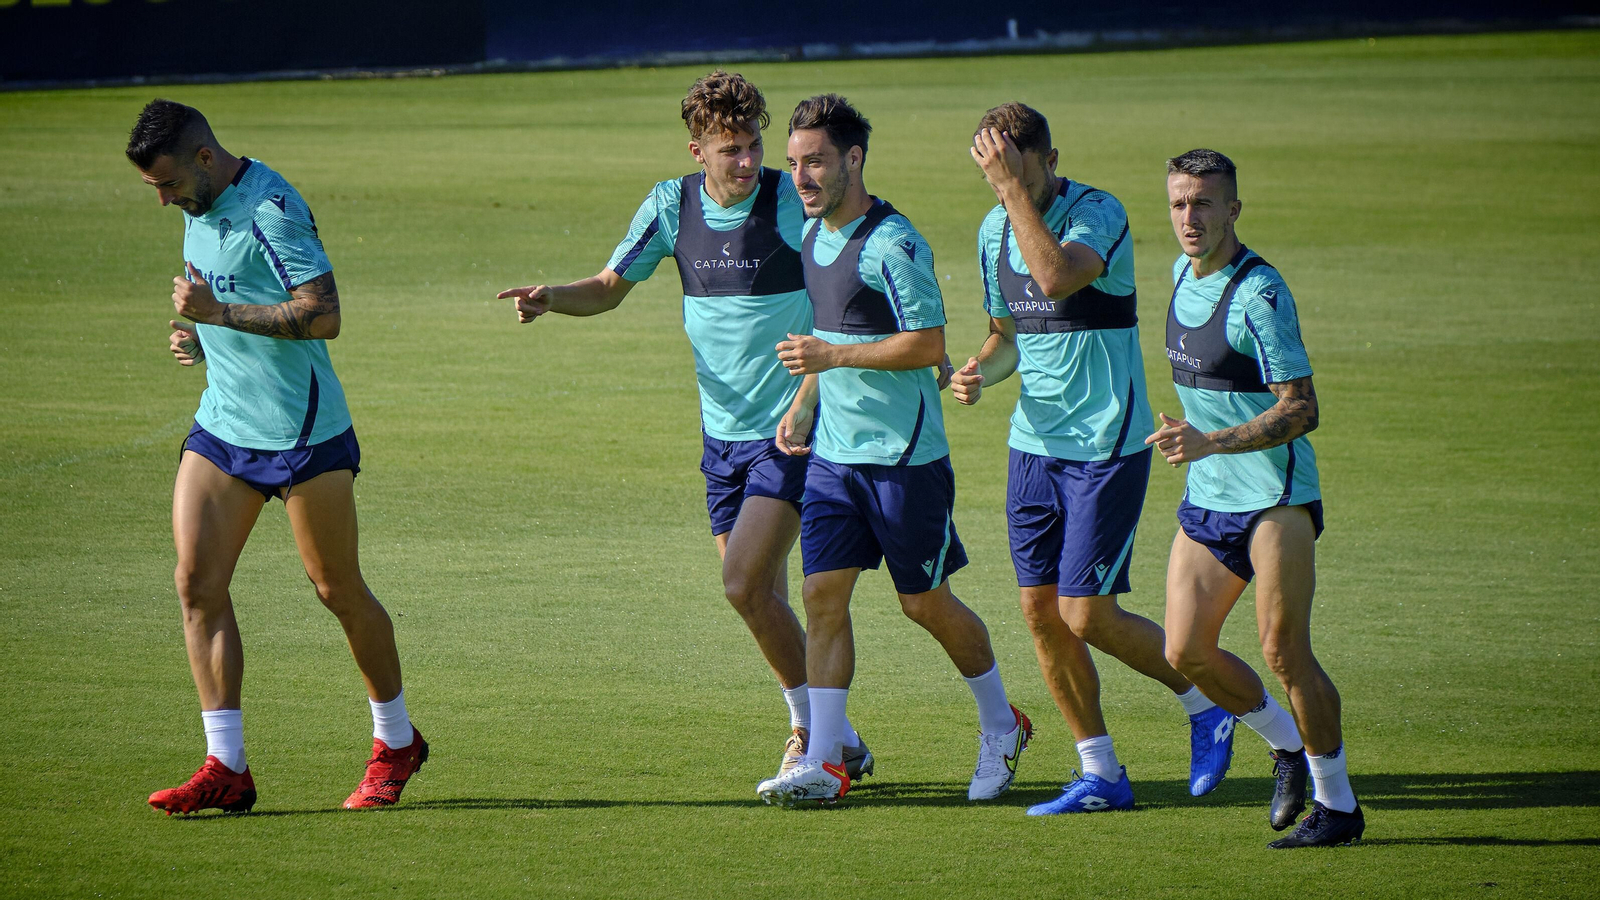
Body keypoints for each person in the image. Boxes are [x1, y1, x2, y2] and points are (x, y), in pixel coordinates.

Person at [497, 71, 871, 785]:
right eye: (731, 149)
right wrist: (553, 297)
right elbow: (609, 288)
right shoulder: (671, 205)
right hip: (721, 436)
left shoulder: (789, 203)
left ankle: (812, 733)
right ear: (697, 151)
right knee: (760, 598)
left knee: (741, 583)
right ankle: (837, 737)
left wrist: (818, 388)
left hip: (794, 428)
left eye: (754, 144)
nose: (748, 161)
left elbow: (847, 285)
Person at [128, 99, 426, 815]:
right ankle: (225, 765)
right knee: (196, 584)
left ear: (205, 158)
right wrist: (205, 340)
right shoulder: (197, 205)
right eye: (155, 189)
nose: (164, 200)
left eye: (169, 184)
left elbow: (323, 315)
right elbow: (231, 297)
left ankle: (397, 742)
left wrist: (218, 316)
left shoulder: (273, 209)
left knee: (337, 590)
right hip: (224, 427)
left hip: (303, 434)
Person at [950, 103, 1234, 816]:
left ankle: (1207, 705)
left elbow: (1054, 279)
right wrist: (981, 370)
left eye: (1014, 172)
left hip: (1105, 446)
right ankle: (1099, 771)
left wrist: (1012, 193)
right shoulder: (991, 230)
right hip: (1033, 446)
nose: (1002, 186)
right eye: (993, 173)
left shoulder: (1096, 213)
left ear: (1050, 161)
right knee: (1040, 612)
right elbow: (1008, 334)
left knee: (1087, 614)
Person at [756, 94, 1028, 807]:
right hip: (834, 460)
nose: (801, 177)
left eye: (815, 162)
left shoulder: (894, 243)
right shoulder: (812, 238)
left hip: (905, 462)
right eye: (794, 164)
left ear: (854, 159)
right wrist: (805, 401)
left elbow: (929, 345)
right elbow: (829, 335)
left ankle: (1003, 725)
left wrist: (830, 358)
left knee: (924, 603)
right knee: (821, 597)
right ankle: (825, 761)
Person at [1148, 148, 1363, 848]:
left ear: (1233, 209)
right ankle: (1286, 745)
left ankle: (1338, 806)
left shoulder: (1259, 294)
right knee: (1186, 651)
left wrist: (1210, 441)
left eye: (1204, 203)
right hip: (1209, 497)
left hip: (1276, 498)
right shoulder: (1179, 275)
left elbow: (1302, 408)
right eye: (1179, 203)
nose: (1189, 216)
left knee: (1284, 652)